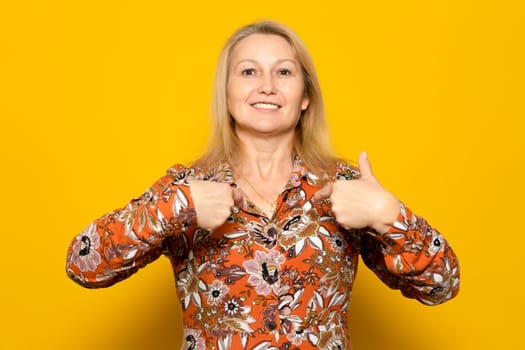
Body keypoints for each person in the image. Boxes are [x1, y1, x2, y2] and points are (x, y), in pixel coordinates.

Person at [66, 20, 459, 350]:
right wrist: (177, 205)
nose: (267, 85)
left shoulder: (344, 188)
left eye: (284, 72)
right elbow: (84, 266)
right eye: (249, 71)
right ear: (228, 91)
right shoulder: (188, 187)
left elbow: (442, 287)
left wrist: (385, 214)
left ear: (305, 96)